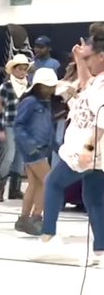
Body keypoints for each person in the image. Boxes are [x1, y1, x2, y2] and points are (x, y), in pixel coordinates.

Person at [38, 36, 104, 258]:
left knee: (53, 183)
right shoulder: (96, 81)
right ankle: (101, 248)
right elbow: (86, 83)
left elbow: (102, 121)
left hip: (86, 146)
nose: (88, 62)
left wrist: (88, 148)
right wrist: (79, 58)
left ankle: (48, 235)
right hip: (91, 148)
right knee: (94, 198)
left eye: (90, 57)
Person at [13, 68, 58, 235]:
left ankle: (24, 219)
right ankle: (36, 218)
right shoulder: (30, 102)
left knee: (35, 184)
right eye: (48, 86)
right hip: (33, 149)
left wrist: (57, 146)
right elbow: (18, 125)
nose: (51, 90)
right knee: (49, 181)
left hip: (40, 149)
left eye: (52, 86)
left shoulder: (44, 104)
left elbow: (48, 129)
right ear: (38, 86)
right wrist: (30, 146)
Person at [0, 54, 30, 202]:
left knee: (20, 159)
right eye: (19, 69)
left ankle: (14, 190)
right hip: (9, 124)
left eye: (24, 69)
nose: (22, 72)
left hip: (24, 126)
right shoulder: (6, 87)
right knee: (9, 156)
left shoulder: (29, 86)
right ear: (13, 70)